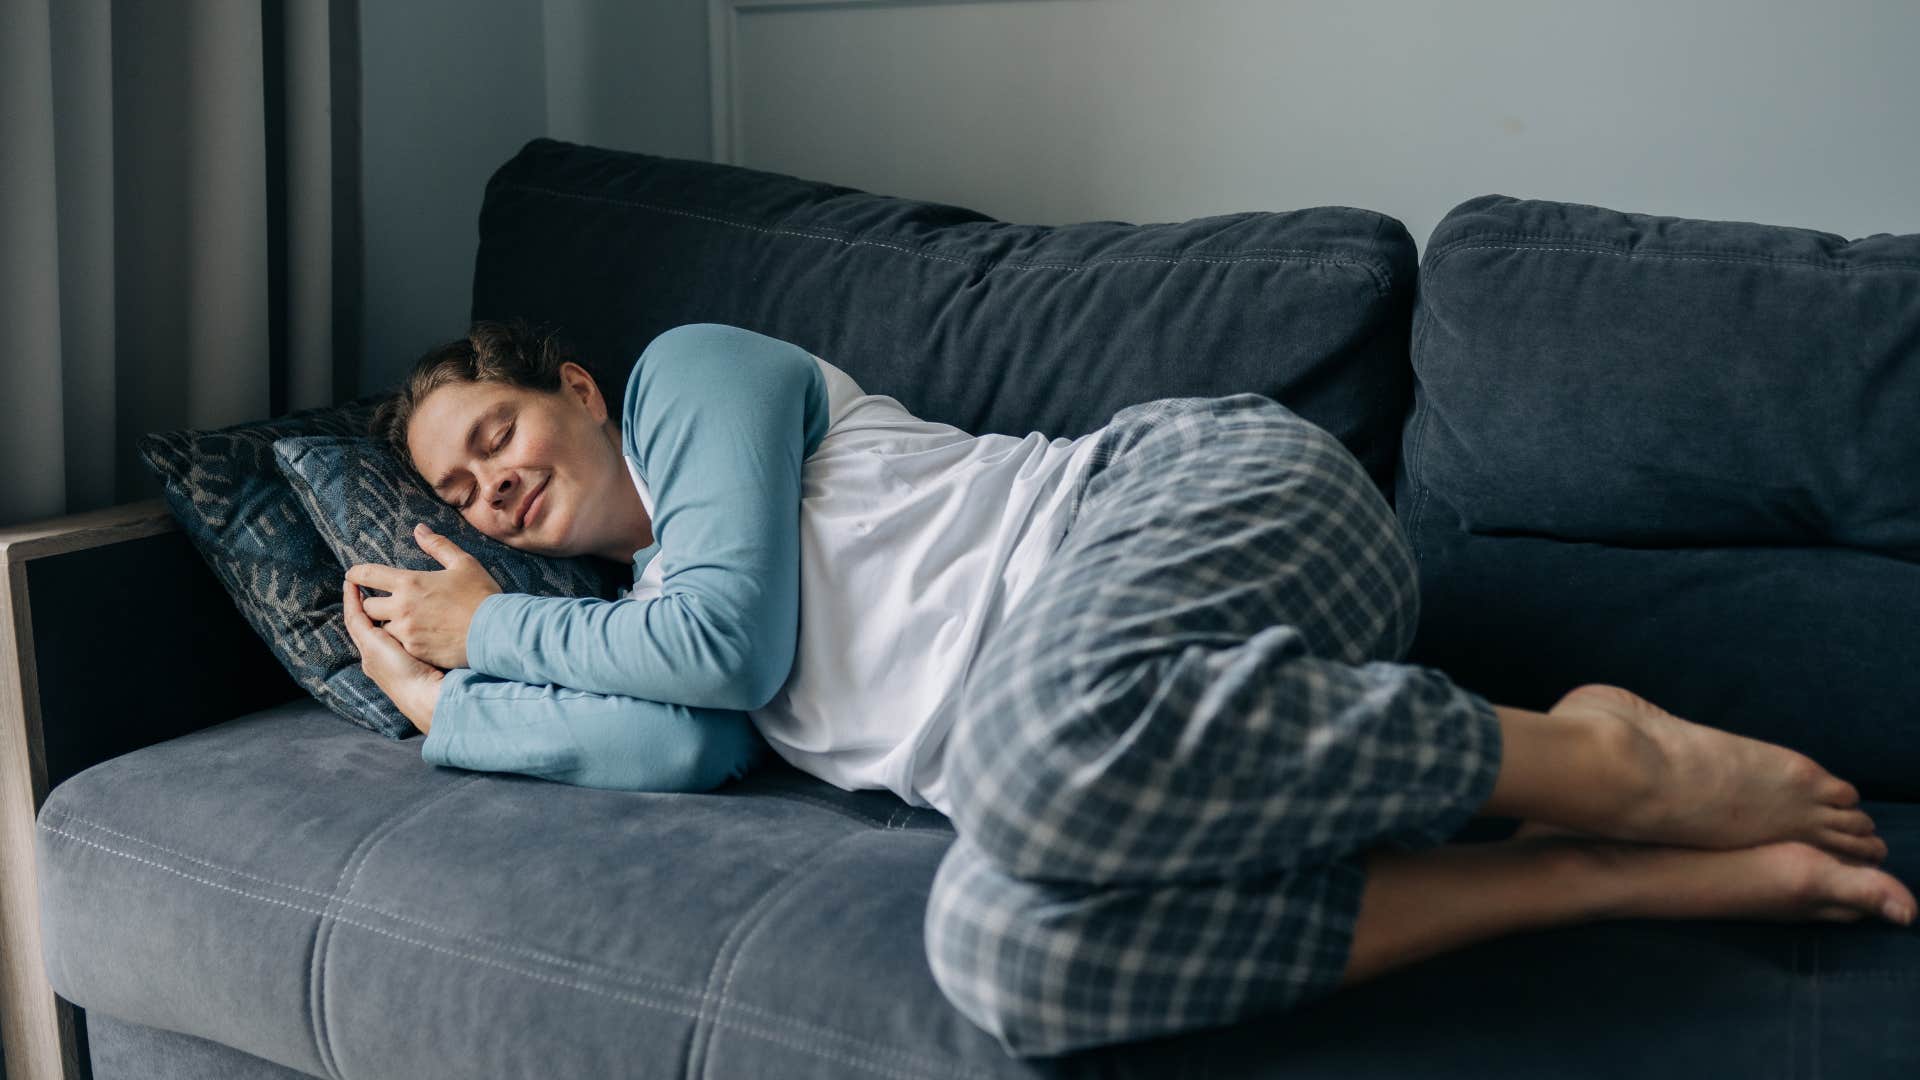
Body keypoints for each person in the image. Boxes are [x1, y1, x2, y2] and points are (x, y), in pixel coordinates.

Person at [342, 318, 1914, 1060]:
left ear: (576, 390)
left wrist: (488, 631)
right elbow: (676, 747)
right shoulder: (635, 622)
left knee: (1018, 753)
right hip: (1142, 748)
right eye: (461, 496)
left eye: (497, 436)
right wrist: (433, 708)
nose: (493, 489)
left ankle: (1612, 770)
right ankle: (1572, 867)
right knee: (997, 954)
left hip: (1203, 504)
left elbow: (726, 648)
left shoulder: (691, 379)